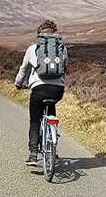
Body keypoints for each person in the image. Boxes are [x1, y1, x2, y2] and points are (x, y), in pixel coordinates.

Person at [14, 20, 68, 166]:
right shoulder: (62, 48)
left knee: (35, 120)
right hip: (57, 90)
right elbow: (65, 68)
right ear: (55, 33)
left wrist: (18, 84)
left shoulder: (33, 48)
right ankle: (52, 147)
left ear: (39, 34)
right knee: (51, 110)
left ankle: (33, 154)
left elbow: (23, 69)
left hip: (38, 89)